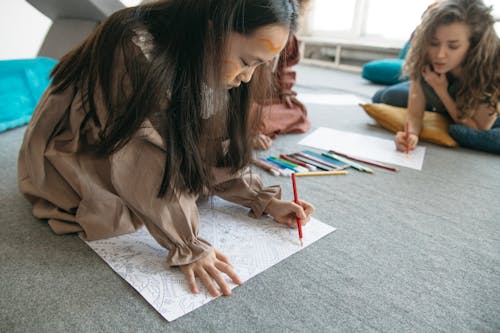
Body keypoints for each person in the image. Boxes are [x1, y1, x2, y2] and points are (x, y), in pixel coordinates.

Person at [18, 0, 315, 297]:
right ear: (213, 28)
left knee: (188, 182)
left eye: (260, 65)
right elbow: (138, 155)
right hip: (86, 142)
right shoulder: (134, 45)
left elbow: (213, 144)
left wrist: (260, 198)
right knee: (115, 213)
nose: (249, 77)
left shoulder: (215, 59)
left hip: (140, 135)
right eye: (248, 62)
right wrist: (187, 243)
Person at [373, 0, 500, 154]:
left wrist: (441, 91)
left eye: (453, 46)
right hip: (439, 96)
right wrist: (411, 134)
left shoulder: (492, 71)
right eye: (434, 43)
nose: (439, 55)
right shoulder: (425, 57)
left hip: (480, 113)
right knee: (384, 96)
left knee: (469, 134)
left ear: (474, 45)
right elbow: (414, 115)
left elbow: (478, 128)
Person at [251, 0, 311, 150]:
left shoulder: (288, 35)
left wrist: (286, 90)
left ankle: (253, 125)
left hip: (269, 98)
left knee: (298, 111)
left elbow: (286, 65)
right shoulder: (254, 24)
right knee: (244, 115)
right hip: (244, 99)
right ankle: (245, 129)